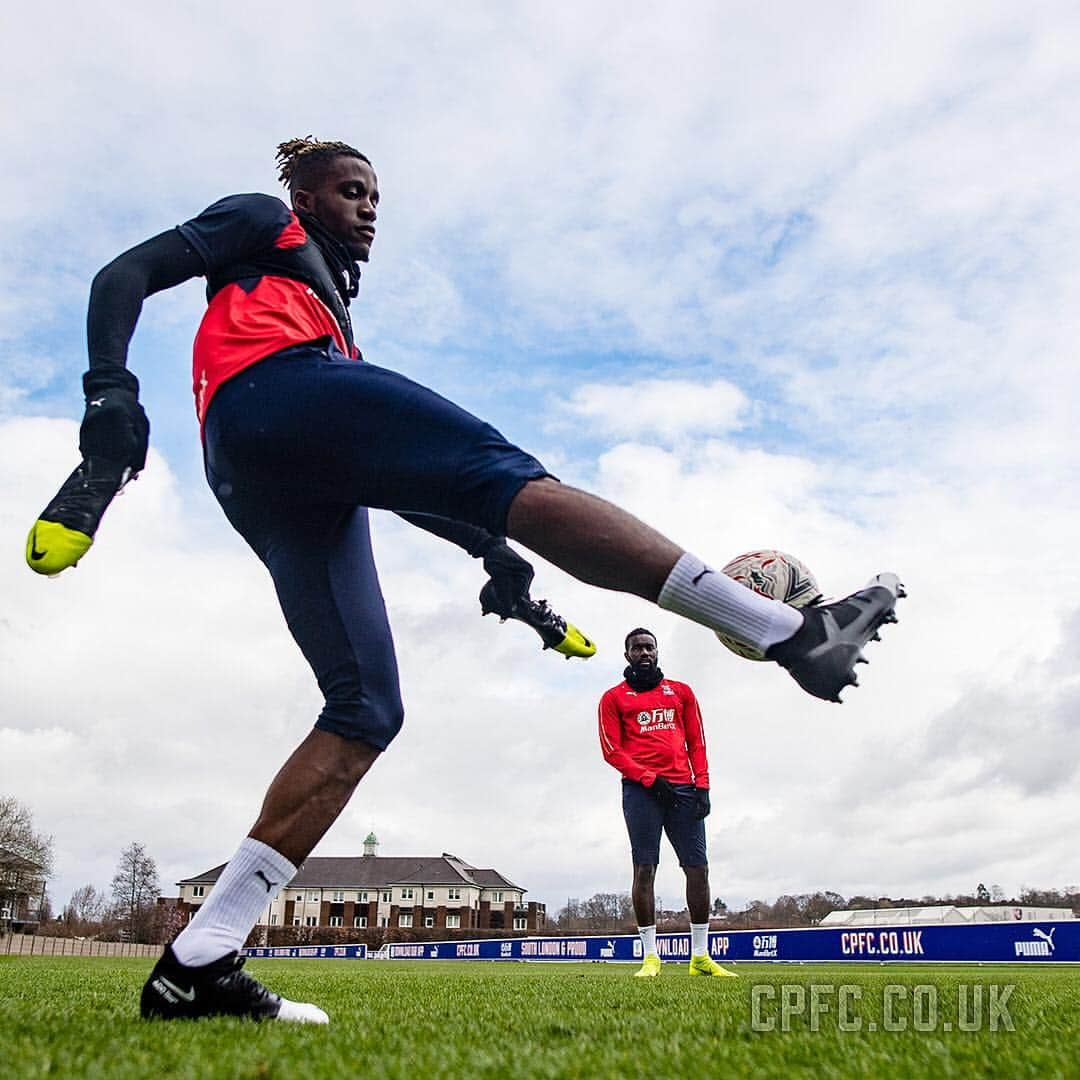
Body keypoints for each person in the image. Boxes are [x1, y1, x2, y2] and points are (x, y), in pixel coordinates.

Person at [26, 138, 903, 1023]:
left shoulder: (336, 328)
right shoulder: (264, 224)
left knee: (366, 708)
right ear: (302, 194)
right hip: (270, 396)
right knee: (509, 473)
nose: (368, 207)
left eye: (376, 195)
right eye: (350, 190)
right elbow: (123, 273)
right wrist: (111, 392)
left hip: (261, 471)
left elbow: (406, 483)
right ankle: (787, 631)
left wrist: (491, 553)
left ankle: (199, 959)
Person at [599, 628, 736, 978]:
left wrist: (702, 786)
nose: (644, 653)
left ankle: (701, 957)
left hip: (684, 790)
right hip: (642, 792)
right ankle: (650, 957)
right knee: (645, 869)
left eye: (649, 647)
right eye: (637, 648)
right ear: (627, 654)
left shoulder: (682, 692)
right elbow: (611, 751)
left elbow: (697, 741)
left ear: (657, 652)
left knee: (698, 868)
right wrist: (649, 779)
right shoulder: (613, 698)